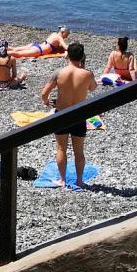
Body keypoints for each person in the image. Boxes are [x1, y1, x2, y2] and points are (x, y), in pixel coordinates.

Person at [41, 42, 98, 191]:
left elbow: (44, 93)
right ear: (82, 57)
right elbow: (93, 88)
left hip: (62, 114)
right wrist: (83, 67)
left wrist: (47, 102)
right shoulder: (87, 74)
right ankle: (79, 180)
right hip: (79, 114)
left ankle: (62, 180)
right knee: (79, 151)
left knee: (61, 148)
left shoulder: (59, 73)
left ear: (68, 56)